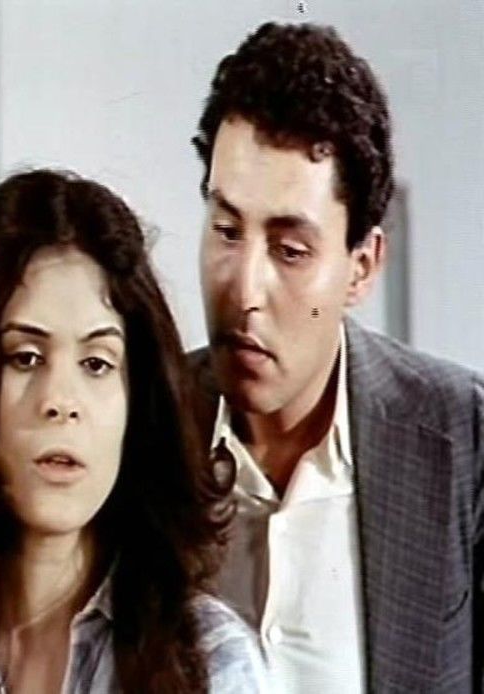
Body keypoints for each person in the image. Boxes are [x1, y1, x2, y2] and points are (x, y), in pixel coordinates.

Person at [0, 169, 270, 693]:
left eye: (96, 364)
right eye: (25, 357)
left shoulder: (212, 664)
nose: (60, 402)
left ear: (136, 403)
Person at [188, 21, 484, 693]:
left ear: (362, 266)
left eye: (290, 251)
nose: (245, 291)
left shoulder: (463, 440)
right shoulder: (136, 426)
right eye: (226, 230)